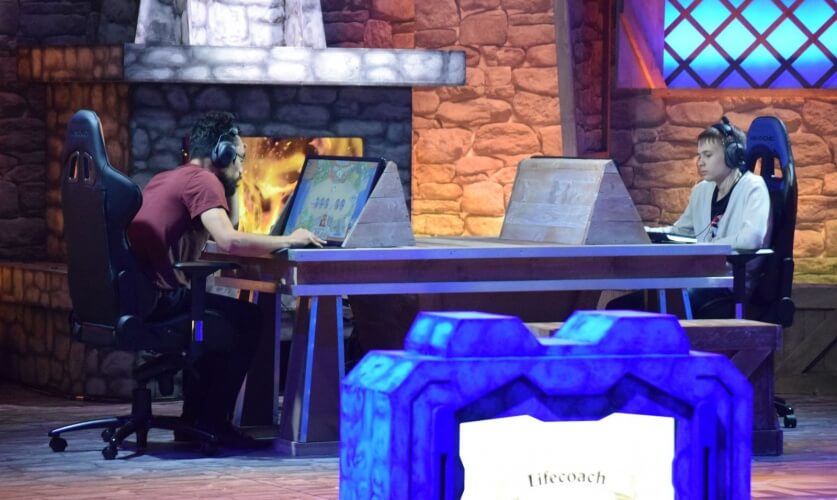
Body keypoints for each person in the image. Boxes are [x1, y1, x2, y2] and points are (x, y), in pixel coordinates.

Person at [127, 111, 325, 447]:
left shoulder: (168, 177)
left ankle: (194, 421)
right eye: (240, 157)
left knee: (216, 321)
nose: (244, 167)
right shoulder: (203, 181)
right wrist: (291, 239)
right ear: (223, 153)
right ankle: (212, 422)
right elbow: (229, 240)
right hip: (162, 299)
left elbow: (228, 224)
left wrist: (231, 184)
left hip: (137, 295)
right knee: (247, 319)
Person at [611, 116, 772, 318]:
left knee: (666, 305)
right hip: (698, 278)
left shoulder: (753, 187)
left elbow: (751, 240)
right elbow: (679, 232)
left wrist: (705, 248)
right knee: (618, 308)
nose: (700, 162)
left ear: (733, 155)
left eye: (708, 155)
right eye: (699, 155)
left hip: (728, 284)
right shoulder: (702, 191)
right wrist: (643, 232)